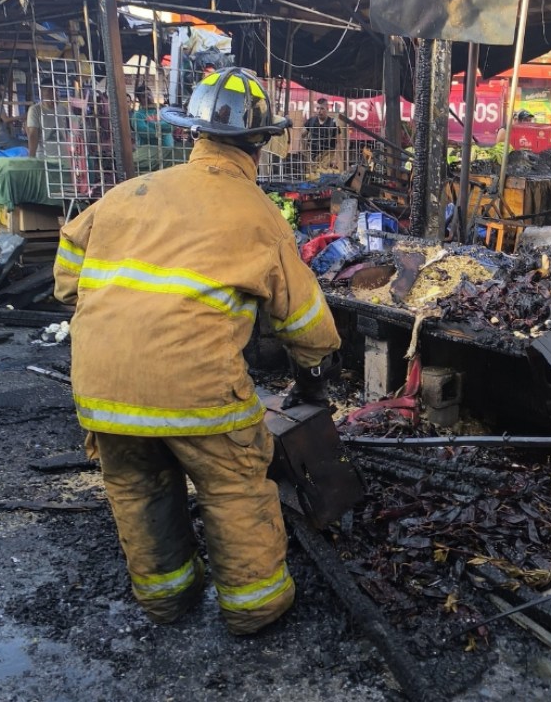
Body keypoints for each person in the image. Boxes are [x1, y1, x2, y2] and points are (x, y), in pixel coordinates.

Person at [53, 67, 341, 636]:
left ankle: (167, 599)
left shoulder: (128, 194)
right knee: (234, 485)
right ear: (260, 142)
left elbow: (66, 283)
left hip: (102, 390)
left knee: (138, 489)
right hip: (196, 393)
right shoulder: (258, 215)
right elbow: (308, 324)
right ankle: (254, 608)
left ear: (191, 134)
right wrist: (313, 379)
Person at [26, 80, 68, 160]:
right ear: (42, 94)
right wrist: (31, 158)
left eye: (56, 91)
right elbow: (33, 135)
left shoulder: (63, 109)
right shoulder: (35, 110)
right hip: (44, 159)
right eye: (50, 91)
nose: (55, 94)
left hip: (63, 158)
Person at [131, 83, 174, 149]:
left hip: (168, 150)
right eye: (144, 96)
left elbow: (171, 126)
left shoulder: (162, 110)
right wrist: (163, 128)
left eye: (149, 94)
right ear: (140, 100)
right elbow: (146, 133)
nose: (148, 97)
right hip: (149, 154)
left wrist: (150, 124)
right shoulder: (138, 116)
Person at [302, 97, 337, 171]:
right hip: (313, 156)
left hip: (327, 156)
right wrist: (305, 150)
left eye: (322, 108)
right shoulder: (311, 121)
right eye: (317, 108)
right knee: (312, 178)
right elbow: (302, 135)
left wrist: (335, 159)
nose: (319, 111)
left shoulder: (333, 123)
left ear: (327, 109)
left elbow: (340, 143)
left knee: (324, 177)